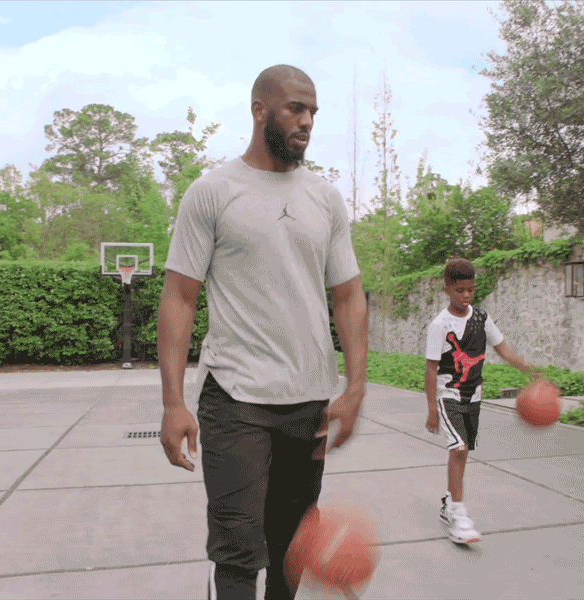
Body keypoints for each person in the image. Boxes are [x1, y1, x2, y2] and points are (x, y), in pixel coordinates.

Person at [156, 64, 369, 600]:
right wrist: (172, 403)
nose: (308, 121)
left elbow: (348, 294)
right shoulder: (212, 192)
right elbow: (179, 296)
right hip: (235, 400)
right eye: (296, 108)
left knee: (293, 546)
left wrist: (356, 386)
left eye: (314, 112)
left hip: (309, 405)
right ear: (260, 110)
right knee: (236, 554)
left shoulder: (324, 198)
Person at [425, 258, 539, 544]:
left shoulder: (482, 319)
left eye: (471, 290)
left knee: (462, 453)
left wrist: (531, 372)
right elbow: (430, 368)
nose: (466, 296)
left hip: (474, 396)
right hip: (448, 394)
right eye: (460, 290)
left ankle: (450, 503)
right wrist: (431, 410)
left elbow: (503, 350)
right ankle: (460, 517)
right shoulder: (440, 325)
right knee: (459, 449)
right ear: (447, 289)